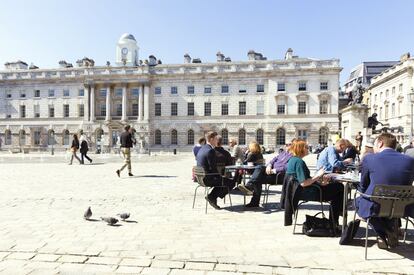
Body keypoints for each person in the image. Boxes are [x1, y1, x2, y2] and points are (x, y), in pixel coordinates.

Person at [356, 133, 414, 249]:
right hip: (404, 206)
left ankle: (383, 232)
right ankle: (391, 228)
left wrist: (360, 191)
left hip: (376, 205)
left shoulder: (369, 158)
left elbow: (363, 185)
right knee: (387, 202)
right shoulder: (410, 160)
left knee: (358, 201)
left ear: (380, 143)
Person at [286, 139, 344, 225]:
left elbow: (303, 180)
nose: (308, 149)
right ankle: (334, 220)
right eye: (306, 147)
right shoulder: (299, 162)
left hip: (301, 191)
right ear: (301, 149)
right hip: (307, 192)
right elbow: (303, 183)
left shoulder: (292, 160)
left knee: (336, 187)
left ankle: (336, 218)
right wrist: (318, 175)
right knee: (339, 187)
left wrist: (320, 183)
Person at [240, 142, 293, 208]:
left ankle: (253, 196)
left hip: (278, 176)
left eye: (289, 144)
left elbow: (286, 168)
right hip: (270, 172)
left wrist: (274, 170)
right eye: (286, 144)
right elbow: (273, 160)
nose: (286, 146)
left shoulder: (293, 156)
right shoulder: (282, 153)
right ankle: (250, 186)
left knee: (257, 178)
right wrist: (269, 166)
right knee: (260, 168)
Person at [196, 131, 236, 210]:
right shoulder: (210, 151)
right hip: (208, 178)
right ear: (211, 139)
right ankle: (212, 197)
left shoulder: (201, 149)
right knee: (230, 182)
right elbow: (213, 168)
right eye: (215, 139)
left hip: (200, 178)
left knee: (224, 181)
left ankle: (213, 197)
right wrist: (221, 177)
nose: (216, 141)